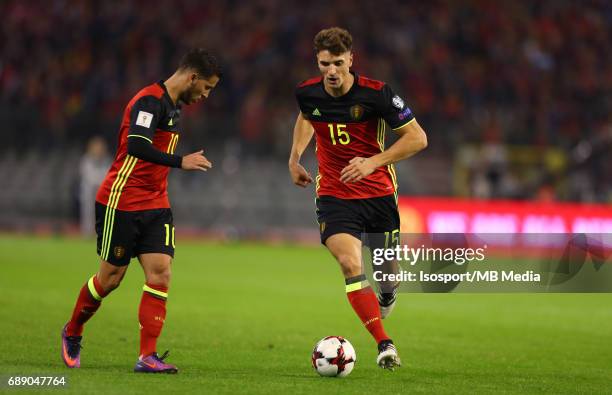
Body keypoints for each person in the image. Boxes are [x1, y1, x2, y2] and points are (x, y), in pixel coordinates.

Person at [61, 48, 222, 374]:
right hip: (121, 200)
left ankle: (147, 356)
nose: (205, 95)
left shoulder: (174, 107)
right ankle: (73, 329)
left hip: (156, 203)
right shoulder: (149, 101)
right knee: (110, 279)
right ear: (192, 77)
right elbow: (136, 145)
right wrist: (181, 161)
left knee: (161, 272)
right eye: (205, 87)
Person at [289, 27, 427, 370]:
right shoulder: (307, 93)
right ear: (317, 62)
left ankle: (387, 293)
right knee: (351, 265)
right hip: (335, 194)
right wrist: (294, 158)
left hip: (378, 194)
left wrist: (372, 162)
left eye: (338, 63)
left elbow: (418, 139)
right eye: (324, 64)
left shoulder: (377, 95)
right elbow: (307, 116)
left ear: (351, 59)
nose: (331, 71)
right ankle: (385, 344)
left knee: (386, 275)